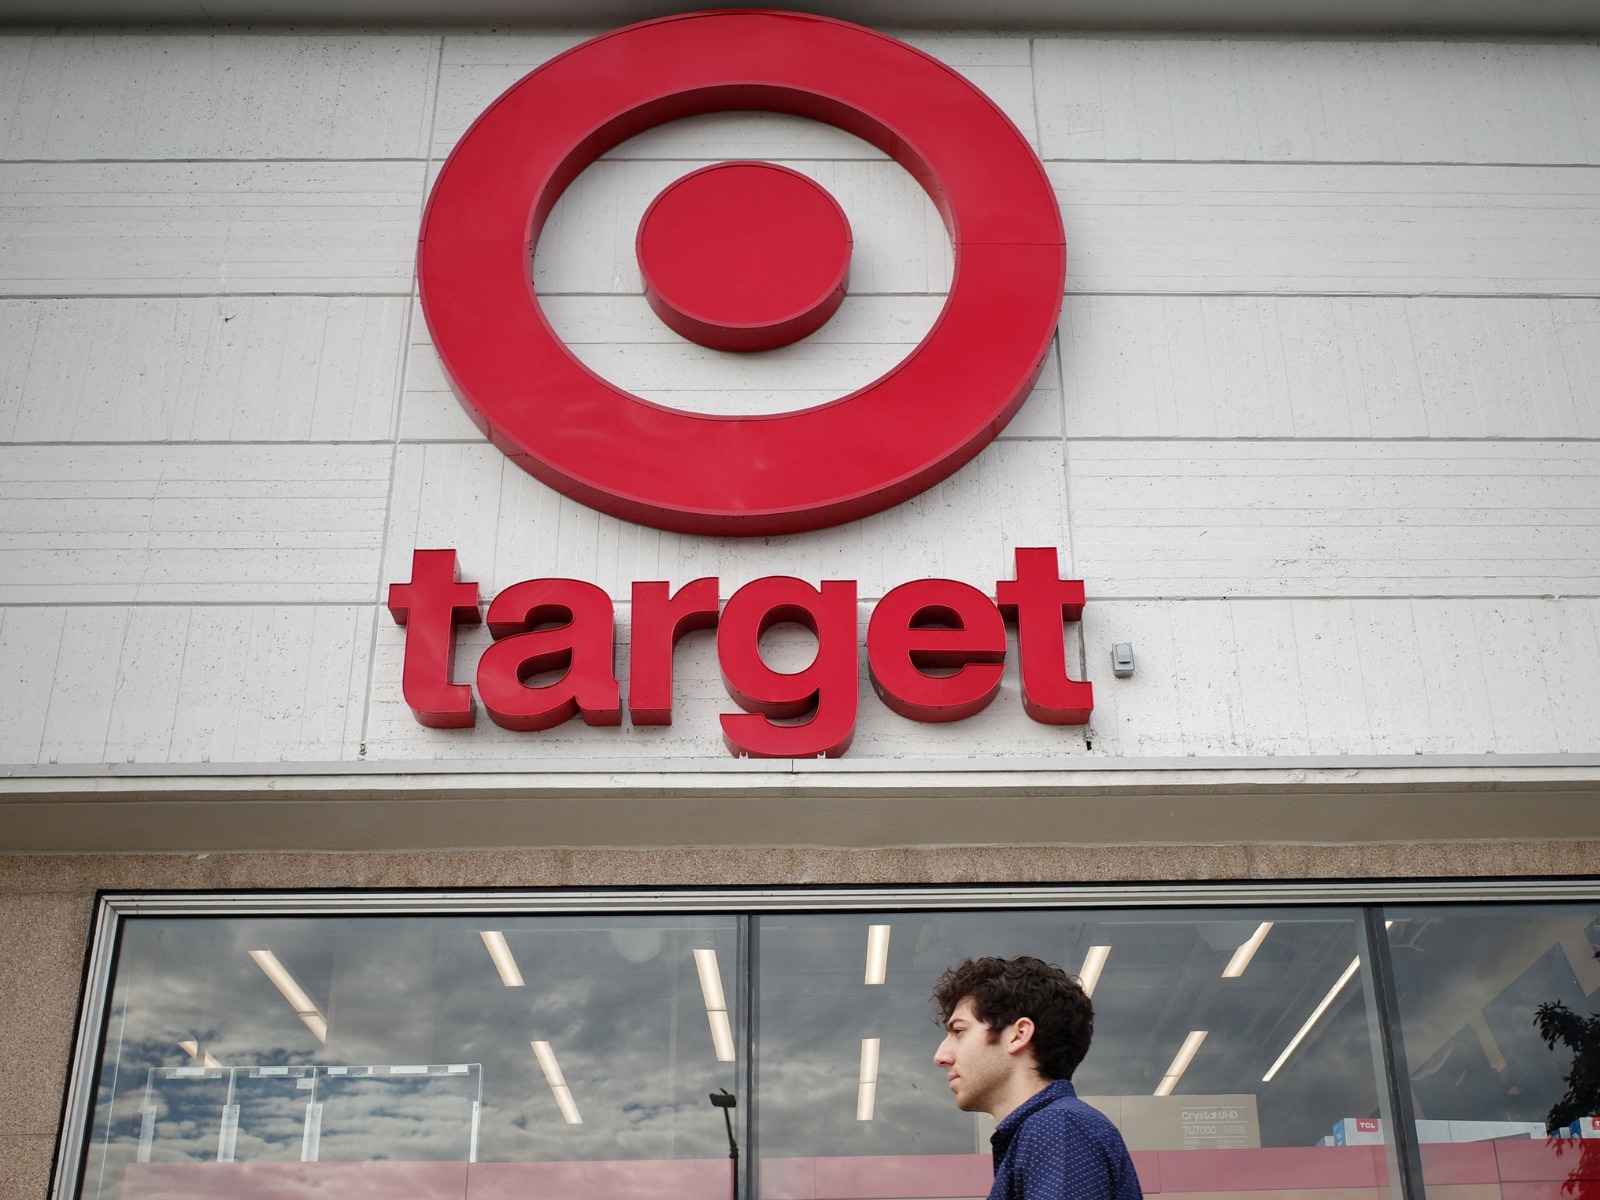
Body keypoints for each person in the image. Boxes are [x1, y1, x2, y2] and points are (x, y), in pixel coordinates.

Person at [933, 955, 1142, 1200]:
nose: (940, 1057)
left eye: (959, 1031)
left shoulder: (1057, 1127)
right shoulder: (1050, 1129)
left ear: (1018, 1035)